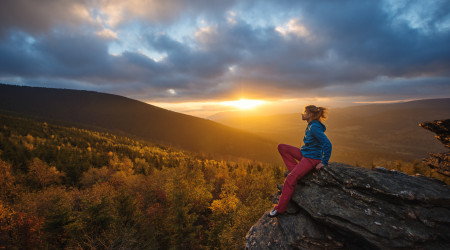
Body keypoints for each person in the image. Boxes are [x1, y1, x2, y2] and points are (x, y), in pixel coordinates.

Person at [269, 105, 332, 217]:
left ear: (311, 115)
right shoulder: (311, 125)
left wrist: (324, 161)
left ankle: (280, 209)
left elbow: (327, 144)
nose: (302, 114)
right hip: (305, 154)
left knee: (290, 179)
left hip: (311, 158)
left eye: (305, 112)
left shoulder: (314, 128)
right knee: (282, 147)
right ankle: (296, 172)